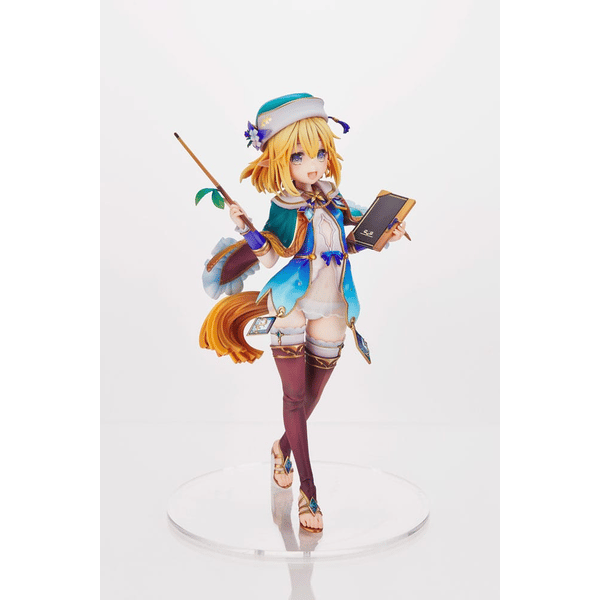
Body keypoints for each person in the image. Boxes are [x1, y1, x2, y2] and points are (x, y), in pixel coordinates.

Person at [201, 93, 407, 533]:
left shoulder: (333, 197)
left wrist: (385, 233)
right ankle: (308, 491)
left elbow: (350, 241)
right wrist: (246, 229)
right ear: (278, 159)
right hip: (291, 304)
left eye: (319, 153)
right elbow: (271, 257)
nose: (313, 165)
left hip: (334, 302)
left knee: (313, 393)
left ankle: (281, 448)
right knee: (294, 398)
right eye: (299, 156)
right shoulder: (283, 205)